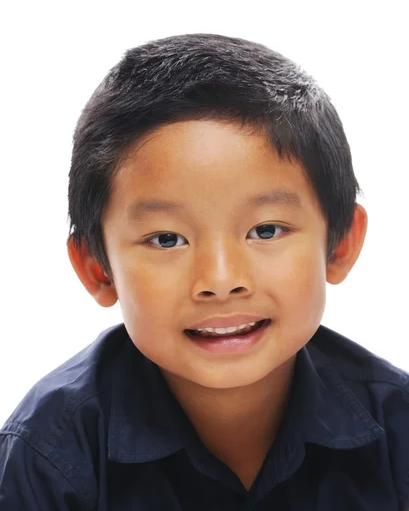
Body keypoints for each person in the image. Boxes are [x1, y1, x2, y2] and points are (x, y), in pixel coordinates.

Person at [1, 34, 408, 510]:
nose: (220, 279)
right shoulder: (47, 455)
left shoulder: (397, 430)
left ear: (338, 245)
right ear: (99, 270)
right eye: (167, 239)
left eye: (267, 230)